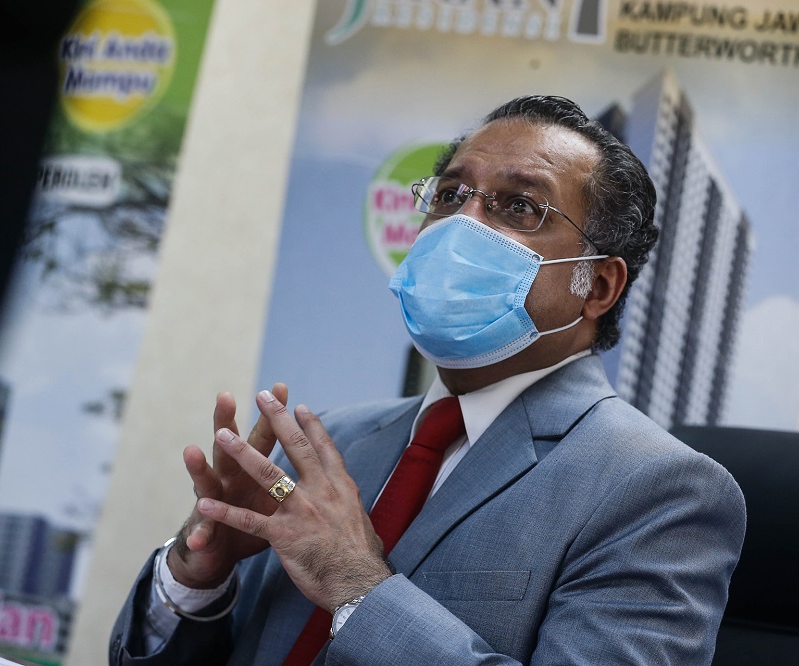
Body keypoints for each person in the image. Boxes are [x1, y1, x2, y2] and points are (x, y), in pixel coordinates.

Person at [110, 95, 746, 665]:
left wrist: (359, 586)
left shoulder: (660, 490)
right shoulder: (332, 441)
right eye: (448, 195)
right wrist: (199, 579)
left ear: (598, 285)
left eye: (519, 206)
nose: (461, 225)